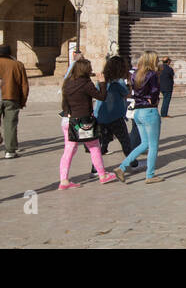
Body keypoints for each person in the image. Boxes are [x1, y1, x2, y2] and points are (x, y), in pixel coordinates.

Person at [59, 59, 117, 189]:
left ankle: (64, 180)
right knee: (94, 147)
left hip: (68, 119)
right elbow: (101, 96)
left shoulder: (67, 82)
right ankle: (102, 175)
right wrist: (102, 83)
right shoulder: (85, 84)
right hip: (83, 120)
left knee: (68, 150)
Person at [113, 51, 164, 183]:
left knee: (144, 143)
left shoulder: (135, 74)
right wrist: (153, 100)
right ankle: (150, 175)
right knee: (153, 145)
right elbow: (154, 91)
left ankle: (122, 167)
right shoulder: (152, 74)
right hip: (149, 111)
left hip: (138, 111)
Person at [0, 43, 30, 159]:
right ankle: (10, 150)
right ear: (10, 53)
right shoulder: (18, 65)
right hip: (12, 97)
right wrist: (23, 100)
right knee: (10, 125)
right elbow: (24, 85)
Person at [94, 56, 134, 161]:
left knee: (101, 142)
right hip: (115, 116)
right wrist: (129, 82)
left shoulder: (102, 80)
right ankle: (133, 163)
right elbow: (127, 94)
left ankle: (95, 169)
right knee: (125, 141)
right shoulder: (118, 82)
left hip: (100, 116)